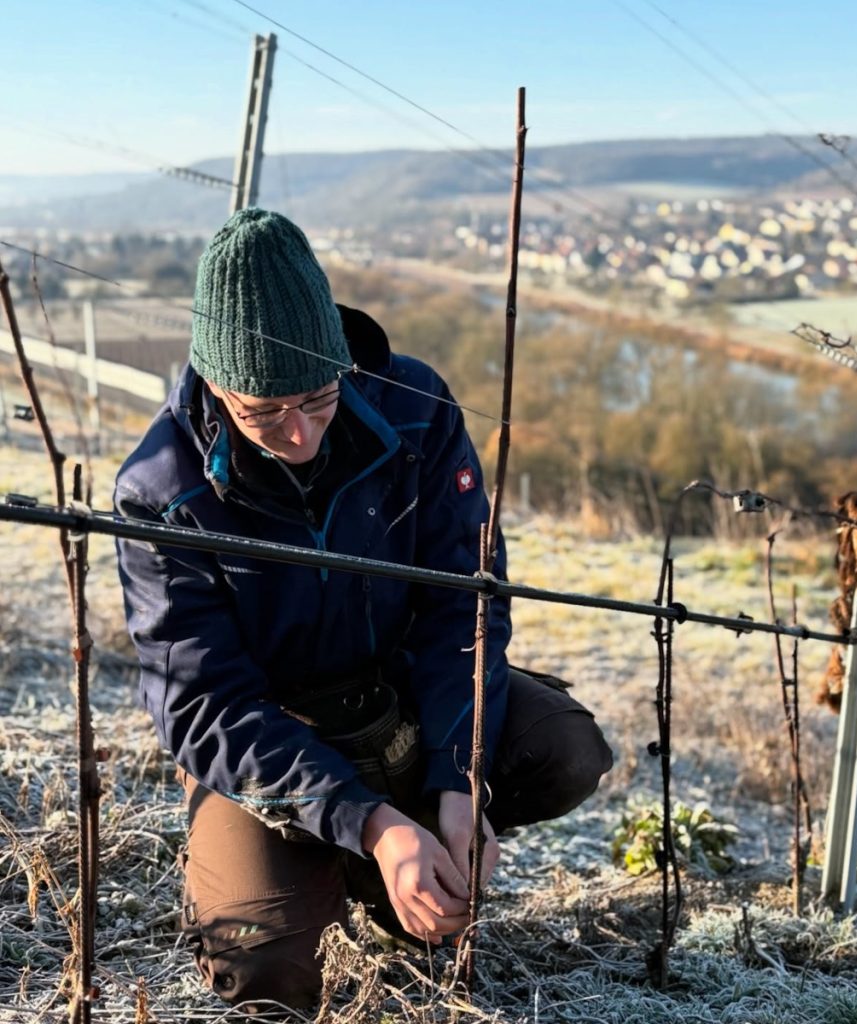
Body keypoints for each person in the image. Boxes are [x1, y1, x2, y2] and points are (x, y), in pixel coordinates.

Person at [113, 208, 613, 1011]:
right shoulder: (160, 493)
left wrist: (460, 779)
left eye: (317, 397)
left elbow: (465, 607)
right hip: (273, 742)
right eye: (264, 413)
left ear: (341, 360)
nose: (301, 433)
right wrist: (370, 824)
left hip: (404, 697)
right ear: (212, 382)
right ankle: (340, 857)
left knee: (564, 749)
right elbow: (204, 706)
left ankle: (398, 871)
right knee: (264, 968)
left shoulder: (418, 409)